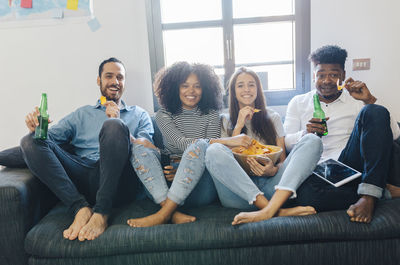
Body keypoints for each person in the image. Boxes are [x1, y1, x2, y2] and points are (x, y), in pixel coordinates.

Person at [20, 57, 154, 241]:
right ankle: (80, 208)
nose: (115, 82)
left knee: (113, 126)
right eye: (109, 76)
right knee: (29, 140)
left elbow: (148, 149)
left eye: (120, 77)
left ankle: (102, 212)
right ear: (99, 81)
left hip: (120, 180)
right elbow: (46, 141)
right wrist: (35, 130)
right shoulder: (82, 114)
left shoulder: (139, 114)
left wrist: (119, 123)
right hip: (82, 176)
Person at [284, 45, 400, 223]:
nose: (327, 80)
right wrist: (305, 133)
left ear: (343, 75)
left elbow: (393, 134)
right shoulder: (298, 103)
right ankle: (379, 191)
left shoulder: (356, 99)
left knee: (374, 110)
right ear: (314, 75)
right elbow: (286, 143)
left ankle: (368, 198)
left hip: (350, 164)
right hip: (317, 171)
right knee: (304, 195)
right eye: (321, 74)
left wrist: (369, 101)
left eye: (334, 74)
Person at [127, 62, 251, 227]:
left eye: (197, 86)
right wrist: (227, 141)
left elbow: (208, 151)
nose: (191, 91)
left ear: (205, 89)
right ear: (174, 88)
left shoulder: (212, 115)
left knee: (201, 146)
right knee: (138, 147)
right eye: (185, 86)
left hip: (201, 188)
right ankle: (172, 211)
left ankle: (163, 214)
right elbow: (178, 143)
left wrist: (184, 167)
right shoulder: (163, 115)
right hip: (165, 186)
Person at [205, 67, 322, 225]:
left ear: (258, 89)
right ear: (233, 91)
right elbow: (225, 161)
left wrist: (273, 170)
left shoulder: (272, 117)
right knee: (214, 149)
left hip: (270, 187)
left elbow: (282, 160)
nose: (246, 89)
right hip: (238, 195)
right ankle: (276, 211)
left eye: (251, 84)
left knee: (312, 141)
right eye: (240, 85)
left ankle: (268, 210)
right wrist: (238, 125)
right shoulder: (224, 120)